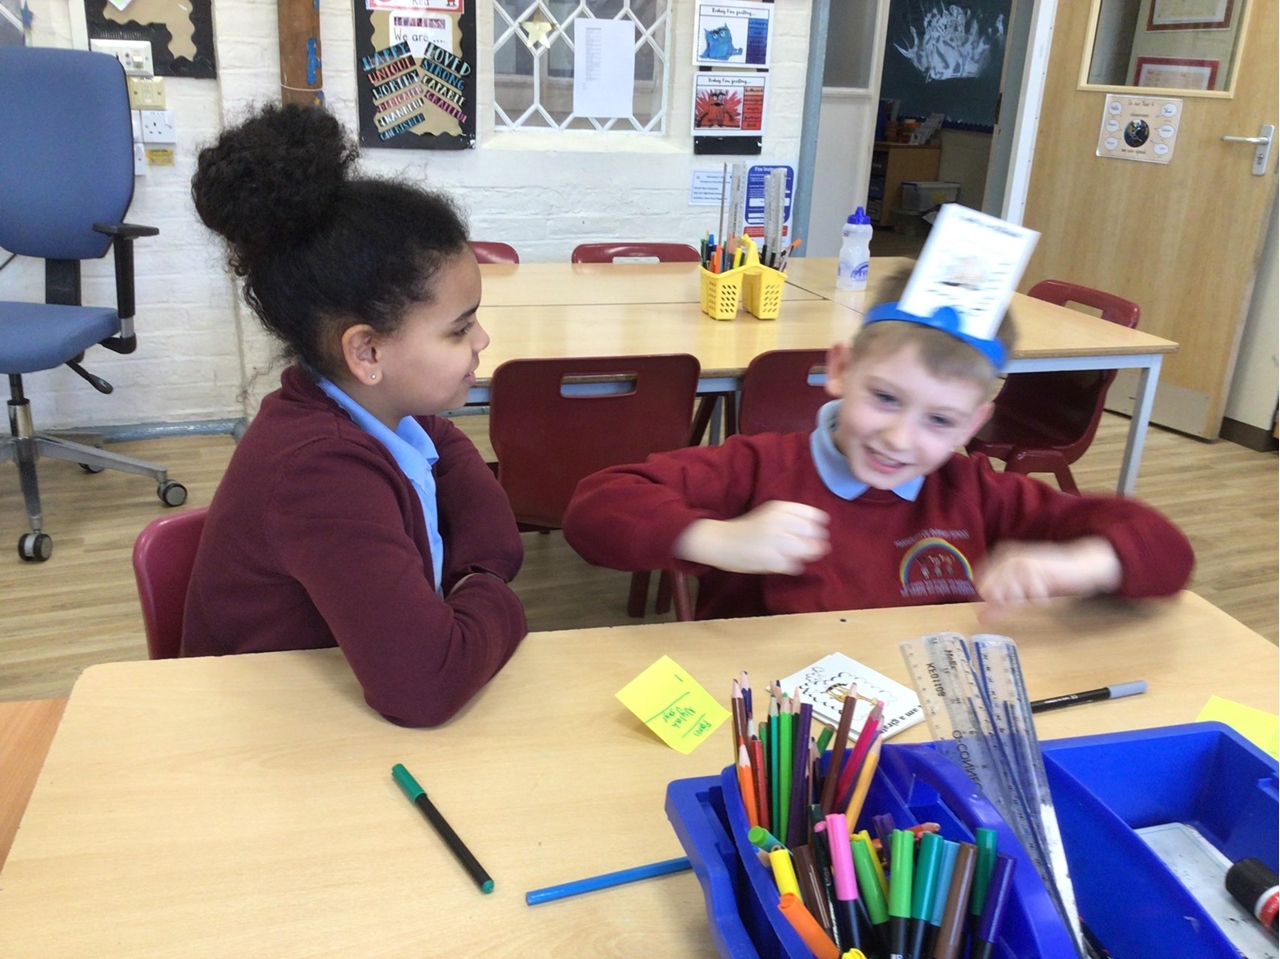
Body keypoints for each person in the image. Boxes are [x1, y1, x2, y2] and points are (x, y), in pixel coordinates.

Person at [563, 271, 1194, 621]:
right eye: (885, 398)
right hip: (774, 729)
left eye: (939, 420)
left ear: (974, 424)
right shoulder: (759, 467)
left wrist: (1081, 565)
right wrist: (714, 538)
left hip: (920, 722)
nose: (899, 438)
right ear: (841, 369)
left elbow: (1165, 550)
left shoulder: (975, 493)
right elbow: (596, 508)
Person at [182, 104, 526, 727]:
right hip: (264, 732)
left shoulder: (372, 409)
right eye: (458, 329)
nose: (481, 341)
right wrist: (494, 591)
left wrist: (478, 571)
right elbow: (427, 687)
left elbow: (454, 458)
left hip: (332, 701)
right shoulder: (319, 472)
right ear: (367, 352)